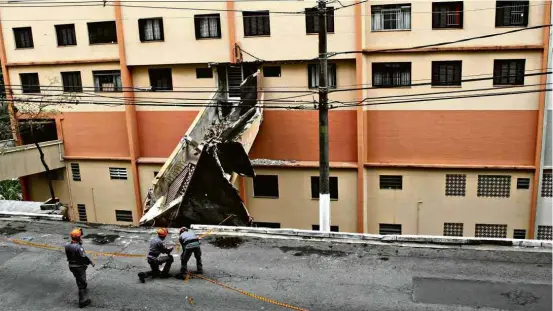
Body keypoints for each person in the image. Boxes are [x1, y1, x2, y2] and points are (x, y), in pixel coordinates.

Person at [64, 228, 93, 308]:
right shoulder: (78, 247)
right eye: (80, 236)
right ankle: (82, 301)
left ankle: (82, 286)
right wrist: (89, 262)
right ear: (78, 238)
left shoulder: (67, 245)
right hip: (79, 267)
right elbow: (83, 257)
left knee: (78, 278)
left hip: (71, 266)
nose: (81, 238)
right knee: (81, 284)